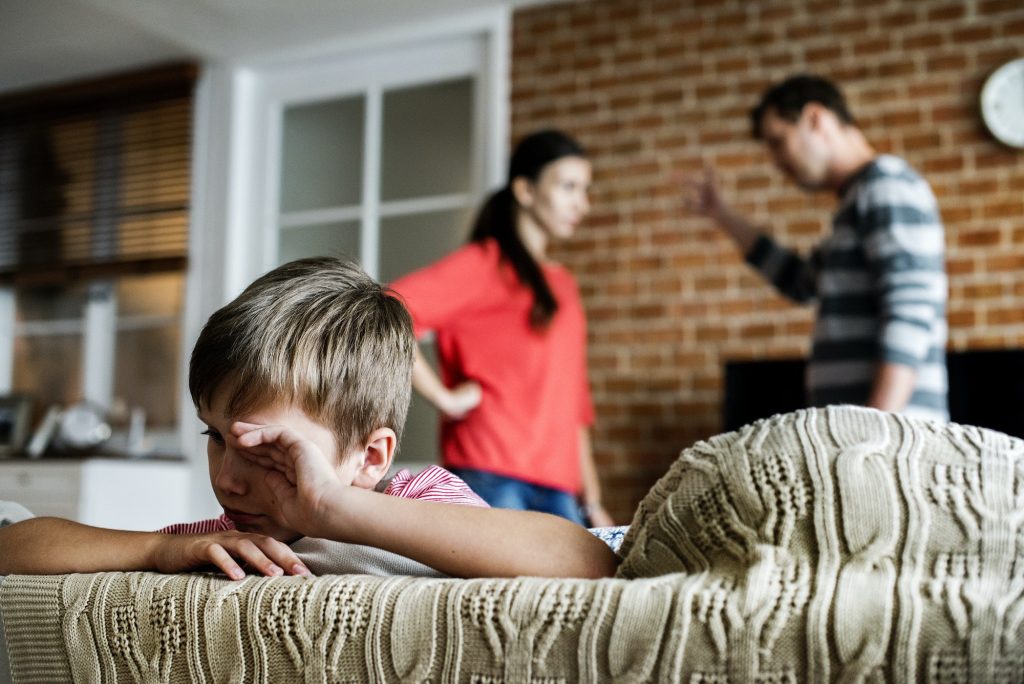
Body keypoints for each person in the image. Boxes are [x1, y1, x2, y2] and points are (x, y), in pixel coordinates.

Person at [0, 257, 619, 580]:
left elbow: (586, 560)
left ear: (370, 458)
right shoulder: (222, 539)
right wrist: (157, 548)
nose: (229, 479)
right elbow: (12, 546)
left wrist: (332, 509)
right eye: (215, 437)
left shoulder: (419, 496)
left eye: (268, 452)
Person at [682, 75, 948, 422]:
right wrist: (724, 215)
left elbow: (910, 309)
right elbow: (801, 281)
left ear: (815, 119)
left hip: (889, 444)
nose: (776, 161)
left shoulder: (886, 185)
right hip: (870, 440)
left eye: (779, 142)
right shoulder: (854, 203)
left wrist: (874, 429)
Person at [390, 130, 614, 527]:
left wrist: (592, 501)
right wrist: (445, 399)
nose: (583, 202)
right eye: (568, 187)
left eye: (586, 189)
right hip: (490, 476)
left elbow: (573, 400)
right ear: (525, 190)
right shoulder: (484, 264)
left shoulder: (564, 285)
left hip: (561, 489)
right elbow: (388, 308)